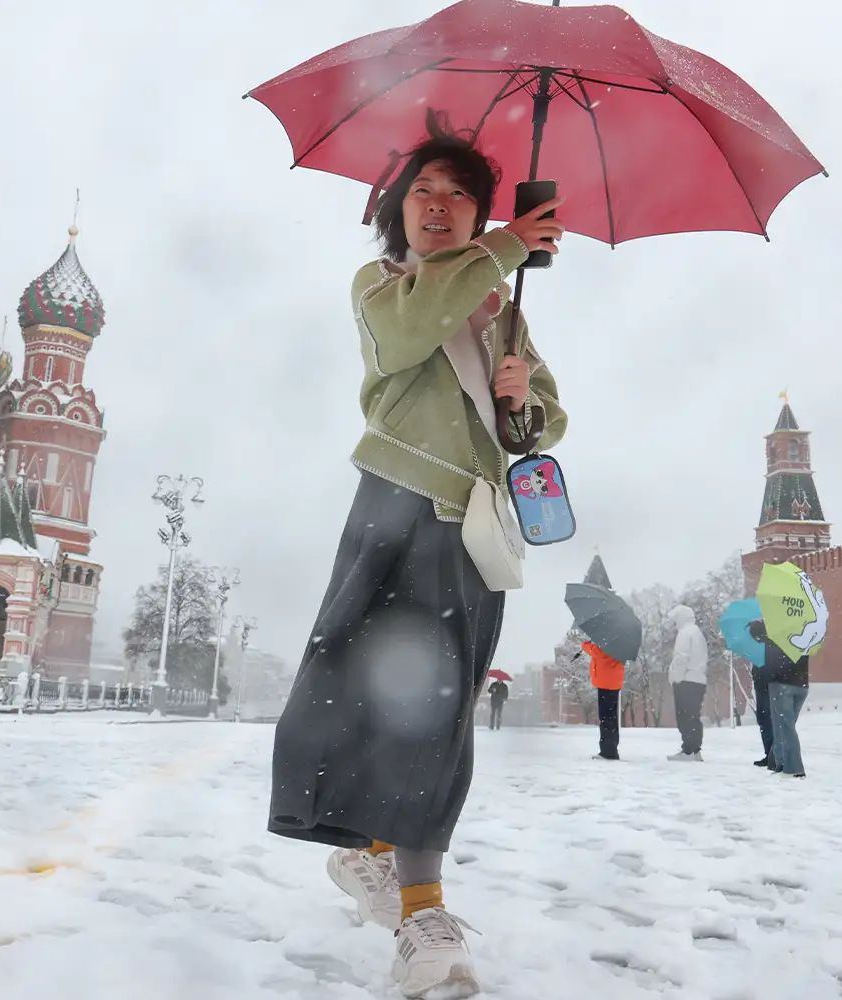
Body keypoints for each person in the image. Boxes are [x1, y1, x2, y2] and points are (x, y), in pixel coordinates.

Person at [268, 115, 567, 1000]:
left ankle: (423, 913)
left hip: (470, 525)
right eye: (422, 194)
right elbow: (405, 339)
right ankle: (362, 847)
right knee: (344, 687)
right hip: (391, 507)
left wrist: (522, 398)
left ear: (478, 213)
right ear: (396, 212)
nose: (439, 207)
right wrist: (508, 246)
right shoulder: (383, 286)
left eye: (459, 195)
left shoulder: (497, 305)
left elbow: (538, 424)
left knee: (439, 715)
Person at [754, 622, 810, 777]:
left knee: (785, 727)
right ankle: (778, 763)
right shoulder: (804, 627)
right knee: (783, 726)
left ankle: (794, 768)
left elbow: (771, 655)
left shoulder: (777, 631)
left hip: (783, 683)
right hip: (802, 683)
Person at [666, 604, 709, 761]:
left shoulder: (685, 633)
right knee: (693, 715)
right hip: (698, 680)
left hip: (686, 680)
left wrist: (675, 677)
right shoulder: (697, 633)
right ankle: (695, 750)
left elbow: (681, 657)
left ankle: (689, 750)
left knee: (684, 715)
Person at [578, 640, 624, 760]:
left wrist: (585, 644)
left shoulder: (607, 642)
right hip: (615, 682)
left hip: (605, 682)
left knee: (606, 718)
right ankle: (612, 748)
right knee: (612, 718)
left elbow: (597, 652)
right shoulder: (622, 642)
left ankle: (608, 751)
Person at [747, 621, 776, 769]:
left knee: (766, 721)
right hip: (769, 687)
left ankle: (772, 755)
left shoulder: (761, 646)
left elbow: (762, 670)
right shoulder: (769, 644)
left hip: (764, 688)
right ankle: (772, 755)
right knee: (769, 721)